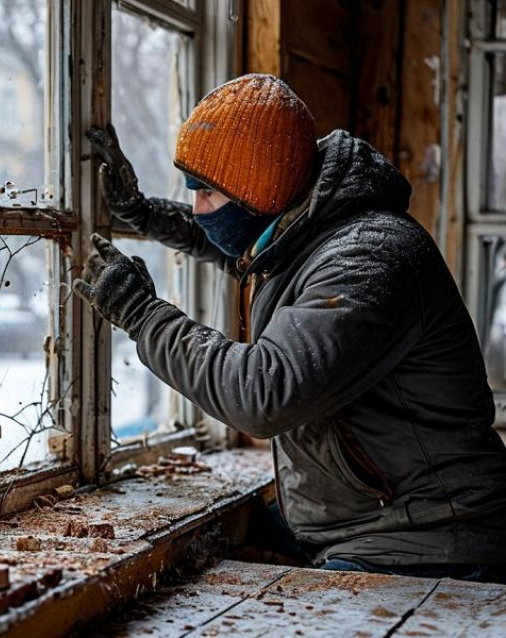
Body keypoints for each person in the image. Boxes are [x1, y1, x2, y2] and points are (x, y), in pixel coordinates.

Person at [74, 74, 506, 581]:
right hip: (374, 518)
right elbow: (234, 242)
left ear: (262, 191)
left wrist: (143, 315)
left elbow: (264, 392)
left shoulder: (370, 258)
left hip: (432, 542)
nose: (196, 207)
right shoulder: (313, 227)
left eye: (206, 191)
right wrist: (143, 214)